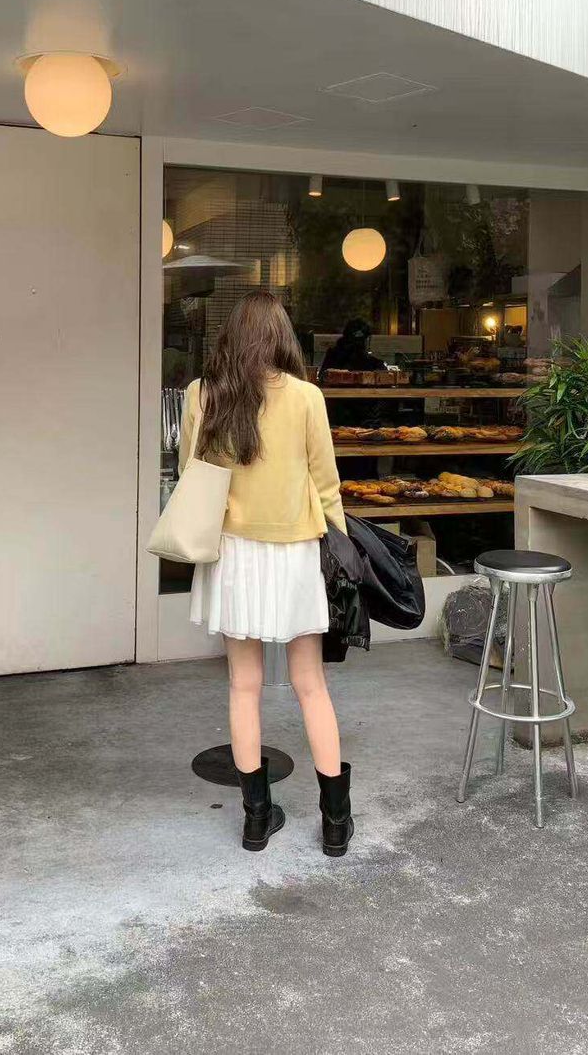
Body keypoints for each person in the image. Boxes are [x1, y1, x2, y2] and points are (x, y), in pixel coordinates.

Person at [180, 290, 353, 857]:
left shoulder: (203, 395)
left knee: (243, 685)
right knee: (310, 683)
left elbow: (190, 475)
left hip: (233, 553)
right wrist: (342, 548)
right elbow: (326, 484)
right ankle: (335, 822)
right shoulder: (306, 397)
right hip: (295, 551)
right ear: (281, 336)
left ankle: (256, 819)